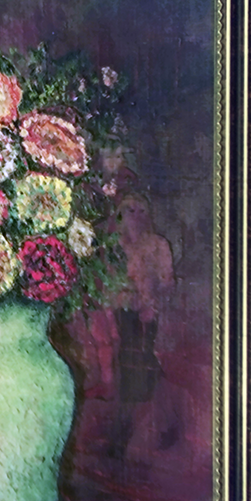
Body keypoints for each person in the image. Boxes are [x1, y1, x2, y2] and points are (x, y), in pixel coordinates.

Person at [109, 193, 176, 461]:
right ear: (120, 215)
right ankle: (164, 423)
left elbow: (167, 283)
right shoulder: (115, 246)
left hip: (147, 315)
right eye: (130, 210)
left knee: (137, 369)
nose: (136, 216)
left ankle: (121, 435)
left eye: (140, 210)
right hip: (119, 314)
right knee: (136, 369)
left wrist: (150, 302)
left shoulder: (158, 245)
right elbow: (106, 281)